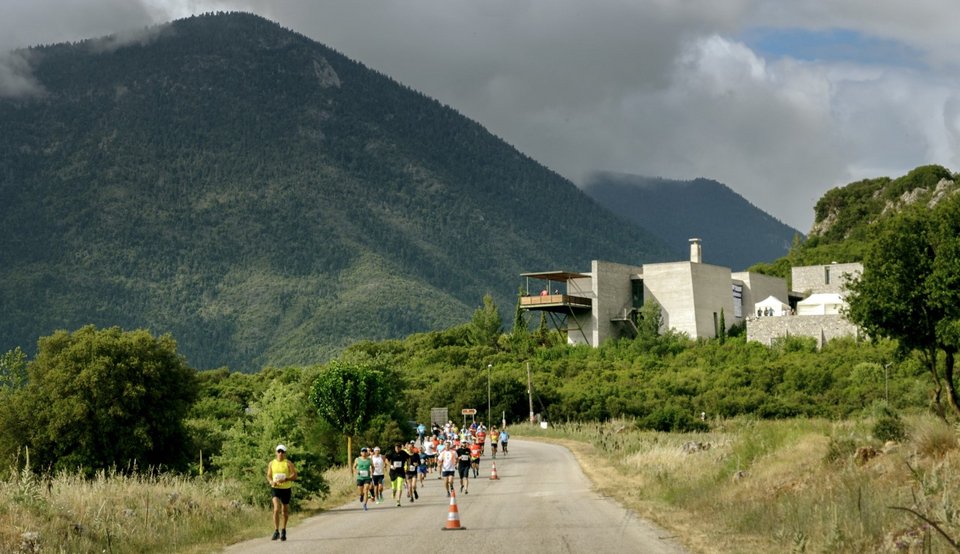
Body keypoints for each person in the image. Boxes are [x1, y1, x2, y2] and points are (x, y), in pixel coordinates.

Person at [266, 444, 297, 541]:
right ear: (276, 452)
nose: (280, 453)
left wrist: (286, 479)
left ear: (285, 453)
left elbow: (294, 476)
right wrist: (271, 481)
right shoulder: (271, 463)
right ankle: (276, 531)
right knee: (276, 509)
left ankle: (283, 530)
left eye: (282, 452)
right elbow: (269, 475)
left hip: (286, 489)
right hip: (275, 488)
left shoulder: (288, 463)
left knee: (284, 511)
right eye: (278, 451)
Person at [353, 447, 373, 511]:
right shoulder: (357, 459)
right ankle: (361, 495)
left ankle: (365, 504)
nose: (364, 453)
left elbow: (373, 467)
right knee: (361, 491)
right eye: (363, 452)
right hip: (360, 477)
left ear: (367, 453)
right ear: (361, 453)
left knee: (366, 490)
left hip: (367, 477)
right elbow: (354, 467)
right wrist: (357, 472)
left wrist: (372, 472)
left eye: (365, 451)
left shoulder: (369, 460)